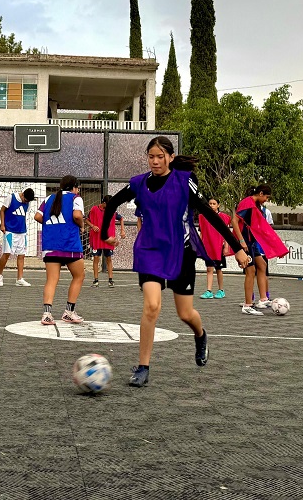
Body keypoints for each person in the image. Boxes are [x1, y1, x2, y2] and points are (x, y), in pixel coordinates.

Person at [101, 137, 250, 387]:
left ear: (170, 157)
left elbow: (209, 214)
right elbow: (112, 203)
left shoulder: (184, 182)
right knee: (152, 306)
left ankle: (200, 335)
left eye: (160, 156)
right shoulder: (139, 183)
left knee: (185, 313)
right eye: (151, 156)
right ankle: (143, 367)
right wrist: (106, 232)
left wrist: (236, 247)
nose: (155, 161)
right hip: (150, 252)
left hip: (181, 252)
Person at [34, 175, 86, 325]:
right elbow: (77, 215)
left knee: (51, 280)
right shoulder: (76, 198)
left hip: (50, 244)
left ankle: (47, 314)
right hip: (69, 243)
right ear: (74, 187)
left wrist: (52, 226)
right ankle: (69, 311)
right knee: (79, 276)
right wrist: (81, 225)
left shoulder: (49, 198)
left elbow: (37, 216)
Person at [233, 184, 287, 314]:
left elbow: (262, 228)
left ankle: (263, 299)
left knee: (262, 265)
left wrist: (277, 247)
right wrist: (241, 242)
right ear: (261, 193)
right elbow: (234, 221)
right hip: (245, 241)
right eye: (267, 197)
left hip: (251, 242)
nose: (266, 200)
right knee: (250, 271)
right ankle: (247, 305)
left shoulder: (256, 205)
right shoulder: (247, 202)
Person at [0, 188, 35, 287]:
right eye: (25, 200)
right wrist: (2, 224)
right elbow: (2, 210)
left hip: (22, 232)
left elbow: (24, 215)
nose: (26, 202)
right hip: (10, 231)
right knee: (7, 253)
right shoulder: (11, 197)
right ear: (22, 195)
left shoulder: (28, 203)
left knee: (21, 255)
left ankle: (19, 278)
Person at [87, 195, 125, 287]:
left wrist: (122, 230)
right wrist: (92, 226)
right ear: (104, 203)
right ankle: (95, 280)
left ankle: (110, 280)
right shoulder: (94, 209)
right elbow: (86, 220)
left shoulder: (112, 210)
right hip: (97, 237)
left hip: (108, 238)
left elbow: (121, 218)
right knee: (96, 258)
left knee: (109, 258)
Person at [198, 198, 231, 300]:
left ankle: (221, 290)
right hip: (208, 247)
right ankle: (209, 291)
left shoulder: (223, 217)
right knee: (209, 268)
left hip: (218, 247)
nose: (212, 205)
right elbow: (201, 232)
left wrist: (226, 246)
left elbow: (227, 234)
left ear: (218, 205)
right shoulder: (203, 217)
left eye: (214, 203)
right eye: (210, 203)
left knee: (219, 269)